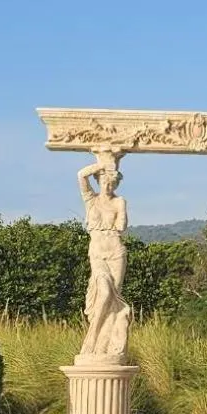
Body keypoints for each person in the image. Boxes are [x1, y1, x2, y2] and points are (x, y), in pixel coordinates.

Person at [76, 153, 131, 359]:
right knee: (105, 293)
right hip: (98, 252)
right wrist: (101, 164)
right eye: (105, 181)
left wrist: (121, 208)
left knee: (112, 303)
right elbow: (81, 175)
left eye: (112, 183)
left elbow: (122, 225)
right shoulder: (90, 199)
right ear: (99, 181)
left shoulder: (119, 202)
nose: (108, 186)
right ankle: (90, 339)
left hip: (116, 252)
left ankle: (105, 347)